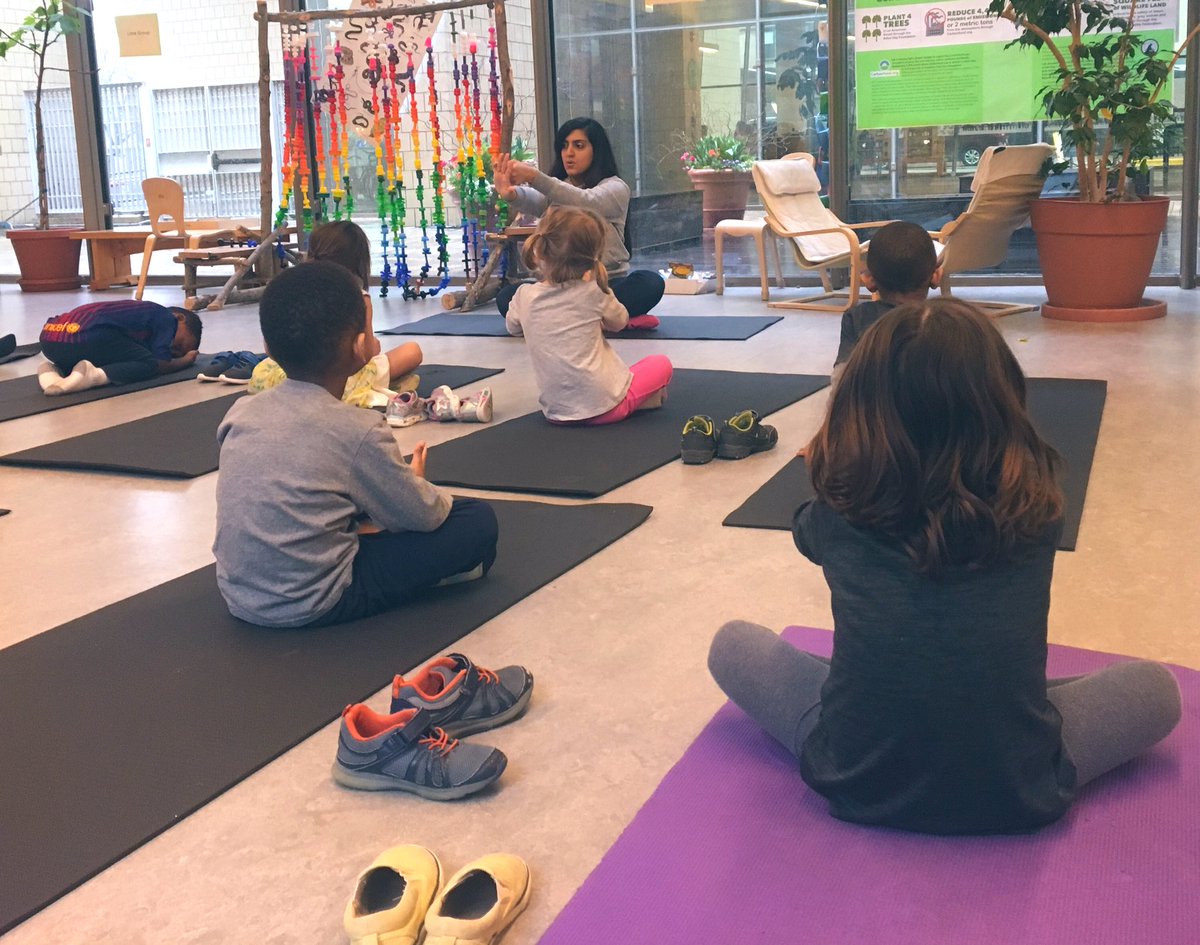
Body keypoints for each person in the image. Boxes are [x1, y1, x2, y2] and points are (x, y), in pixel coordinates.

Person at [709, 299, 1181, 835]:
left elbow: (807, 532)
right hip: (1023, 786)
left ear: (858, 412)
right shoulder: (1037, 515)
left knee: (733, 643)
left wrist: (833, 464)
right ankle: (991, 701)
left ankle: (939, 696)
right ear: (1003, 405)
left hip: (855, 776)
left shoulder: (836, 518)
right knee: (1156, 689)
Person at [213, 261, 498, 629]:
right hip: (316, 599)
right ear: (361, 346)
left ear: (268, 346)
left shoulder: (240, 412)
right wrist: (417, 486)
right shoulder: (357, 428)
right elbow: (425, 517)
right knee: (476, 522)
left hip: (240, 595)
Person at [493, 117, 665, 330]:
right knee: (507, 297)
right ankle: (598, 321)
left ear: (597, 150)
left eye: (579, 145)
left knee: (651, 283)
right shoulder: (555, 191)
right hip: (561, 287)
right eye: (564, 146)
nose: (569, 153)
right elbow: (534, 198)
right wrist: (510, 194)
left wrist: (535, 176)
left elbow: (586, 201)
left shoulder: (616, 187)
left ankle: (564, 320)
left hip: (605, 287)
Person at [506, 206, 672, 425]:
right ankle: (639, 402)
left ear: (540, 249)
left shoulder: (524, 295)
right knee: (660, 363)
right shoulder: (594, 291)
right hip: (605, 405)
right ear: (593, 256)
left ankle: (637, 401)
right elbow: (619, 322)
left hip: (556, 413)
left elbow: (513, 327)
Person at [249, 220, 424, 407]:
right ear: (357, 263)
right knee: (412, 351)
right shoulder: (359, 298)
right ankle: (371, 389)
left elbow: (275, 343)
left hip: (288, 374)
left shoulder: (293, 289)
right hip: (341, 378)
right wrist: (374, 346)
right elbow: (364, 353)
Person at [832, 220, 940, 387]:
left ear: (869, 280)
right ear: (935, 277)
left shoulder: (857, 318)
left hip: (876, 410)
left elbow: (841, 378)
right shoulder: (949, 321)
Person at [38, 299, 202, 396]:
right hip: (88, 335)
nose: (171, 348)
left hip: (50, 337)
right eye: (179, 344)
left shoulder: (138, 318)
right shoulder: (166, 317)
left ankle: (51, 373)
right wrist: (185, 360)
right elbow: (161, 365)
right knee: (148, 363)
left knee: (124, 354)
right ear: (180, 318)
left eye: (175, 353)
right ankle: (94, 375)